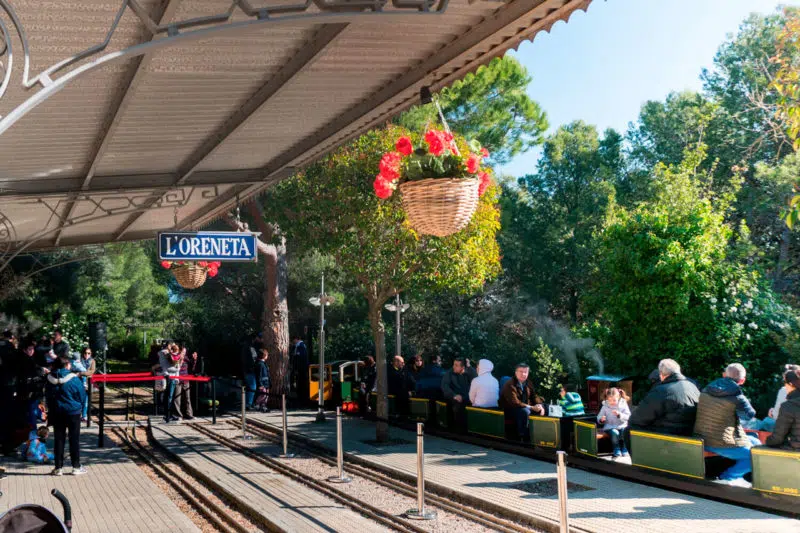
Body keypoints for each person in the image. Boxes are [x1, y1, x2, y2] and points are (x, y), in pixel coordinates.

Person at [693, 363, 759, 487]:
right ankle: (727, 478)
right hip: (721, 443)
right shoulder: (737, 396)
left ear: (724, 375)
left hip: (702, 438)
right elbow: (748, 415)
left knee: (756, 442)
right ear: (742, 380)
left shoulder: (706, 390)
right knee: (756, 457)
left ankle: (735, 477)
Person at [628, 359, 700, 436]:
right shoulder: (693, 387)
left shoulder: (661, 390)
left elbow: (637, 419)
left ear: (661, 374)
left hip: (665, 437)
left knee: (630, 429)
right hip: (689, 435)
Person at [45, 356, 87, 476]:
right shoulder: (73, 379)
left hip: (57, 412)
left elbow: (47, 397)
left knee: (59, 440)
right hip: (73, 412)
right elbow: (82, 395)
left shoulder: (49, 379)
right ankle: (76, 467)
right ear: (67, 365)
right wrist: (80, 407)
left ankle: (58, 468)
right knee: (74, 439)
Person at [499, 363, 545, 441]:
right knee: (525, 411)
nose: (523, 374)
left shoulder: (528, 382)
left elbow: (534, 396)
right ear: (516, 372)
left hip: (523, 407)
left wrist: (539, 405)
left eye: (526, 372)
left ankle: (539, 434)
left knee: (544, 407)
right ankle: (523, 436)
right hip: (509, 409)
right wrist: (531, 407)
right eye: (521, 371)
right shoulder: (509, 384)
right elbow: (514, 402)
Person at [766, 368, 800, 450]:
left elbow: (777, 439)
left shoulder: (788, 406)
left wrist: (767, 441)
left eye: (785, 383)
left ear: (791, 384)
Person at [597, 387, 631, 459]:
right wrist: (601, 419)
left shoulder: (623, 404)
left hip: (622, 425)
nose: (612, 402)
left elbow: (628, 416)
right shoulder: (605, 406)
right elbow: (599, 417)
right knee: (615, 432)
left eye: (614, 400)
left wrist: (619, 415)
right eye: (609, 400)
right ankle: (616, 449)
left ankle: (624, 449)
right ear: (607, 399)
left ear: (618, 397)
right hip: (610, 426)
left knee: (624, 431)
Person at [441, 357, 474, 428]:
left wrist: (469, 366)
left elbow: (475, 378)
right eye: (453, 364)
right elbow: (445, 386)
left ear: (462, 367)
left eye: (456, 365)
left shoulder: (468, 372)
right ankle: (457, 429)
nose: (454, 367)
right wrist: (454, 395)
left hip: (466, 397)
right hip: (454, 397)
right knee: (457, 404)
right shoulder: (449, 373)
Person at [154, 343, 182, 423]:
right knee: (169, 397)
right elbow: (173, 367)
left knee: (169, 397)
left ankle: (168, 415)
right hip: (170, 377)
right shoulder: (166, 354)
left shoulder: (166, 353)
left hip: (169, 377)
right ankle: (167, 416)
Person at [172, 346, 194, 421]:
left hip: (186, 380)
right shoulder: (175, 357)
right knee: (177, 398)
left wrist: (194, 360)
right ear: (179, 352)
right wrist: (180, 359)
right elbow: (176, 367)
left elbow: (192, 367)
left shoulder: (187, 358)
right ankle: (177, 415)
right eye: (182, 352)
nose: (184, 354)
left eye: (185, 352)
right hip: (178, 380)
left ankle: (189, 414)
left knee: (187, 398)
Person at [77, 347, 95, 422]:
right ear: (83, 353)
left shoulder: (92, 361)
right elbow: (75, 369)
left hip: (88, 383)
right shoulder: (79, 360)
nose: (87, 355)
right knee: (78, 400)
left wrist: (81, 373)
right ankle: (78, 415)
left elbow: (92, 371)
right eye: (85, 353)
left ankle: (84, 416)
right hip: (79, 382)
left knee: (86, 401)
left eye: (89, 353)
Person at [290, 335, 309, 401]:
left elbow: (300, 358)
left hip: (301, 369)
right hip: (300, 368)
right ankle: (300, 397)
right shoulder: (298, 346)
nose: (293, 341)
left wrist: (297, 368)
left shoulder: (301, 346)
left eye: (293, 340)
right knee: (299, 383)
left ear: (296, 339)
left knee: (301, 383)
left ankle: (302, 398)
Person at [253, 349, 271, 413]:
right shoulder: (260, 364)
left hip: (266, 382)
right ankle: (257, 404)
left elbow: (268, 374)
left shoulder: (264, 363)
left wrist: (270, 383)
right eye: (267, 355)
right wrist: (260, 384)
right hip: (262, 382)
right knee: (262, 395)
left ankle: (263, 405)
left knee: (266, 395)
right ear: (264, 355)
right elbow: (259, 375)